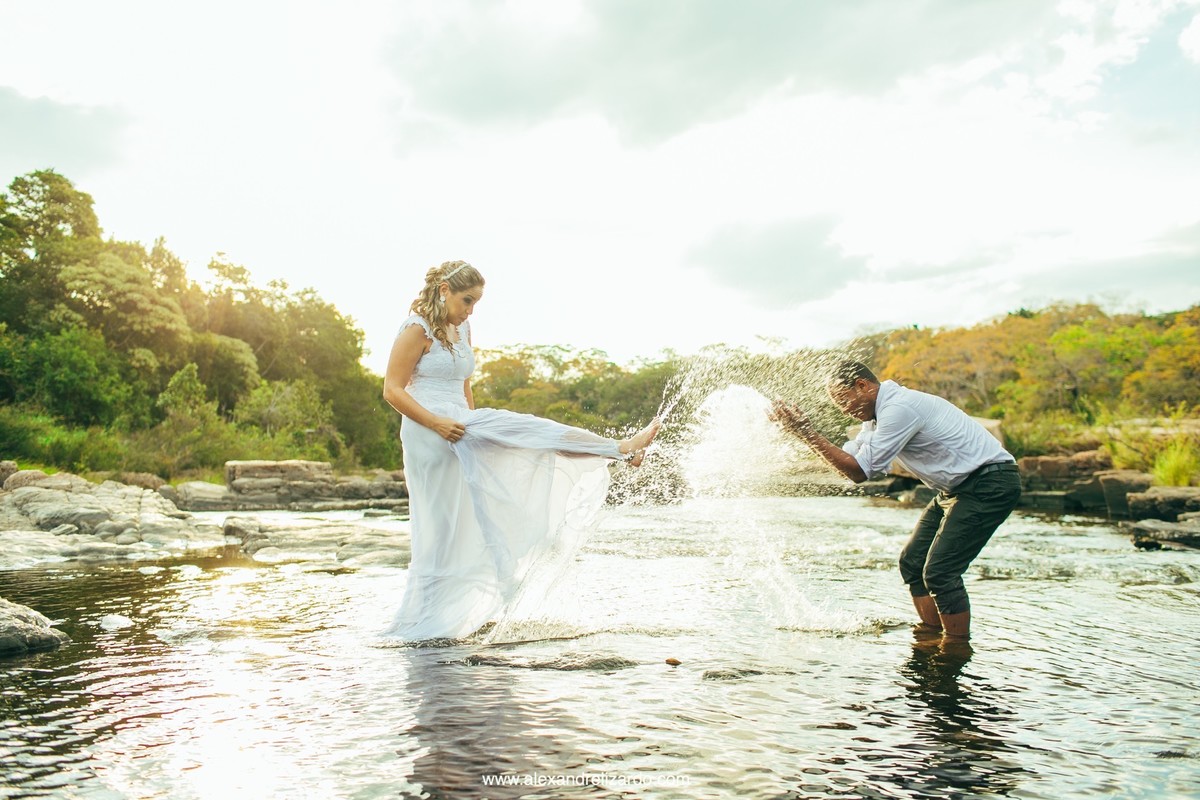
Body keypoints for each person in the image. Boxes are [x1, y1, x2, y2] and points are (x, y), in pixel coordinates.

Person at [381, 260, 661, 641]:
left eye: (476, 302)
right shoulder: (417, 329)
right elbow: (392, 390)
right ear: (444, 290)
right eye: (467, 300)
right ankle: (424, 618)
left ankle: (618, 450)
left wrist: (476, 424)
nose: (470, 310)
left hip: (462, 423)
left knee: (524, 445)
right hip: (428, 431)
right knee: (440, 523)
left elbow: (464, 383)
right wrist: (436, 423)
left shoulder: (462, 327)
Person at [772, 361, 1021, 643]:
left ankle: (955, 649)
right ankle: (931, 636)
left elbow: (858, 472)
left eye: (842, 400)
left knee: (940, 572)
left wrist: (806, 432)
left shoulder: (899, 408)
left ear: (862, 386)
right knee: (912, 563)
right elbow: (851, 457)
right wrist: (803, 433)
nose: (843, 410)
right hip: (957, 489)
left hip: (989, 483)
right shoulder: (875, 418)